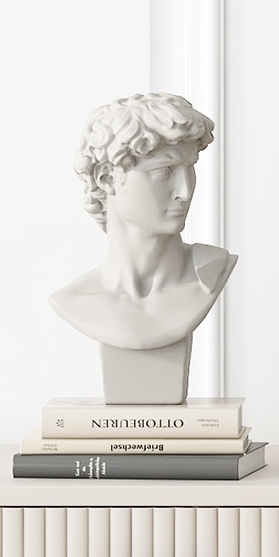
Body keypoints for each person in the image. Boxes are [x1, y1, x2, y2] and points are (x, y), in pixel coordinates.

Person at [51, 93, 236, 360]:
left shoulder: (210, 273)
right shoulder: (75, 300)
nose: (185, 191)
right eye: (165, 172)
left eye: (190, 168)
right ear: (106, 178)